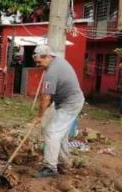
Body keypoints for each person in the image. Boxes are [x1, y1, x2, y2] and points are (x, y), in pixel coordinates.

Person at [33, 45, 85, 178]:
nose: (38, 65)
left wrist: (40, 116)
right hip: (69, 101)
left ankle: (50, 167)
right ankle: (64, 163)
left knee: (52, 132)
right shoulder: (57, 62)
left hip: (71, 103)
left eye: (39, 62)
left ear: (47, 57)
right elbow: (49, 97)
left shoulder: (51, 72)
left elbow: (45, 97)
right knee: (60, 135)